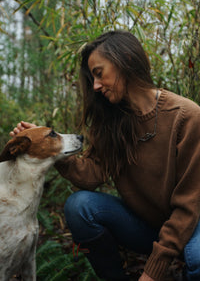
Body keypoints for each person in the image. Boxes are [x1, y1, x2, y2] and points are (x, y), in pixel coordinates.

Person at [10, 30, 200, 281]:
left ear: (126, 60)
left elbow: (188, 207)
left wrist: (152, 273)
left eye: (99, 73)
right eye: (92, 79)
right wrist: (49, 146)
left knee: (197, 258)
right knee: (80, 206)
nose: (96, 86)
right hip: (145, 226)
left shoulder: (186, 116)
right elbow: (92, 175)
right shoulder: (110, 121)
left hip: (191, 226)